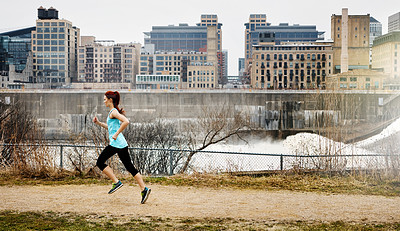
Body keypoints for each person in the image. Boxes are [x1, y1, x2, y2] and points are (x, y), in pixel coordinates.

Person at [93, 91, 151, 204]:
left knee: (100, 162)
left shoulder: (113, 112)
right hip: (121, 144)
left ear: (110, 100)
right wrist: (99, 123)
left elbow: (126, 121)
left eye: (105, 99)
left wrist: (116, 134)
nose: (104, 101)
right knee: (130, 167)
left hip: (116, 143)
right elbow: (110, 128)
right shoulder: (112, 112)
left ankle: (116, 182)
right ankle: (144, 189)